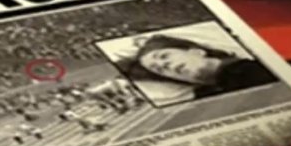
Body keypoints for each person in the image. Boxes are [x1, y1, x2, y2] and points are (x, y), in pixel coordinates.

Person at [118, 34, 276, 101]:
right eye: (158, 69)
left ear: (197, 51)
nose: (164, 65)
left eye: (164, 56)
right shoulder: (202, 97)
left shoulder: (254, 67)